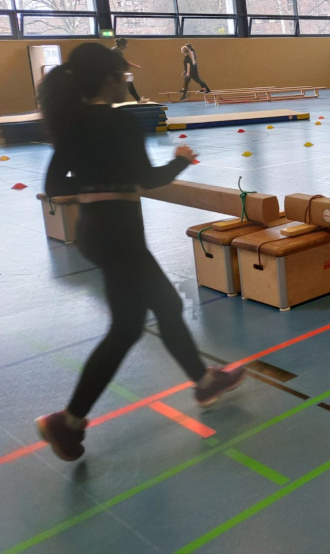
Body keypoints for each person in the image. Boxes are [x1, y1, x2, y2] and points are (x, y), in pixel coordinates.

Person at [35, 43, 244, 462]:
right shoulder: (120, 122)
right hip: (119, 235)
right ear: (109, 79)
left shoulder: (74, 123)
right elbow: (147, 179)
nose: (125, 84)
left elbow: (55, 186)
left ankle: (203, 383)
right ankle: (69, 420)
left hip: (95, 232)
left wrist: (94, 187)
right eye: (123, 77)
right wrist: (181, 160)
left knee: (151, 314)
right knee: (137, 321)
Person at [111, 37, 145, 103]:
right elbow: (124, 61)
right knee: (129, 81)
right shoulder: (117, 51)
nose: (127, 46)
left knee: (129, 79)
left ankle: (138, 99)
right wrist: (135, 66)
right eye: (126, 45)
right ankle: (138, 99)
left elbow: (123, 61)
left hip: (114, 72)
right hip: (114, 72)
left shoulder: (115, 49)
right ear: (122, 44)